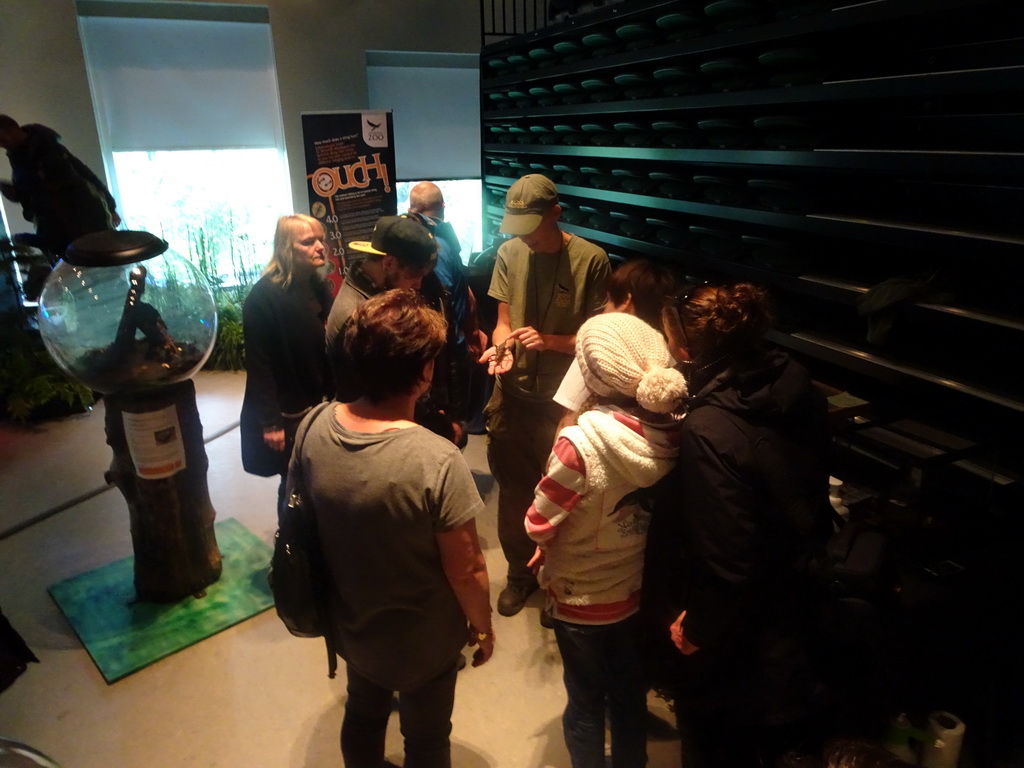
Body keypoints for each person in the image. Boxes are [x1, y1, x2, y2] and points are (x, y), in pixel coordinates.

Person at [291, 289, 494, 768]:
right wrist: (484, 629)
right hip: (422, 642)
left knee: (363, 713)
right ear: (422, 374)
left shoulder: (313, 425)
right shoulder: (436, 459)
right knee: (425, 739)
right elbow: (467, 569)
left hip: (351, 623)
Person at [647, 282, 835, 768]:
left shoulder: (711, 429)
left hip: (740, 644)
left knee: (714, 745)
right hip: (796, 604)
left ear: (688, 352)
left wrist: (698, 629)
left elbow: (727, 561)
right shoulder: (794, 381)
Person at [525, 312, 687, 768]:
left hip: (581, 598)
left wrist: (542, 537)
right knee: (628, 695)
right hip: (633, 589)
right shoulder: (671, 434)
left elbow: (538, 522)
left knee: (584, 704)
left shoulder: (579, 443)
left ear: (591, 374)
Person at [481, 173, 611, 619]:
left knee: (562, 498)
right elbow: (502, 318)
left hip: (566, 403)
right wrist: (501, 347)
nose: (525, 240)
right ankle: (520, 575)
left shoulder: (592, 260)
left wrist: (549, 342)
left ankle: (558, 584)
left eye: (531, 228)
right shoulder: (509, 253)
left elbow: (598, 340)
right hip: (513, 396)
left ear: (556, 213)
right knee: (514, 493)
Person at [239, 214, 333, 508]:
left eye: (321, 239)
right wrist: (270, 422)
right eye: (309, 241)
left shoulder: (318, 287)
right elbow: (259, 365)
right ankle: (290, 546)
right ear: (286, 248)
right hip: (289, 410)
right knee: (293, 483)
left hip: (319, 401)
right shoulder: (263, 297)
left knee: (318, 476)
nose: (320, 247)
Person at [553, 257, 678, 420]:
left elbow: (568, 419)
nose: (604, 307)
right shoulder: (671, 355)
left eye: (609, 299)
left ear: (626, 301)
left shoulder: (599, 349)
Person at [0, 114, 118, 257]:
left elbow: (81, 178)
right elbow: (34, 192)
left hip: (81, 222)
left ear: (11, 129)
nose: (2, 144)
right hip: (64, 227)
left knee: (91, 260)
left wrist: (111, 207)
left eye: (1, 138)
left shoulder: (49, 150)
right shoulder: (19, 156)